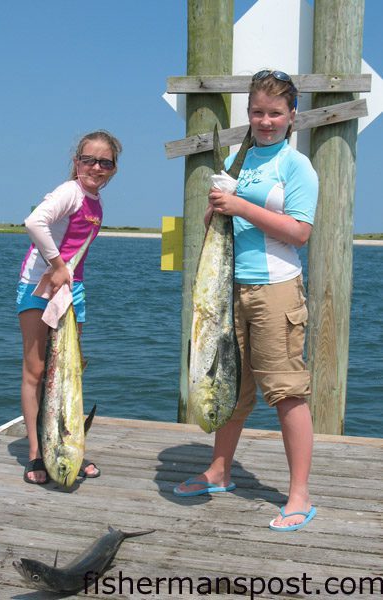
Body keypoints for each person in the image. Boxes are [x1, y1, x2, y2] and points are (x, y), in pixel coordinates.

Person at [174, 70, 319, 532]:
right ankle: (219, 471)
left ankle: (299, 495)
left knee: (286, 391)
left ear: (291, 115)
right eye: (258, 112)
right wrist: (217, 205)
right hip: (226, 288)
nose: (265, 120)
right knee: (229, 387)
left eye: (275, 113)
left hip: (276, 290)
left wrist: (242, 207)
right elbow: (215, 221)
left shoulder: (296, 167)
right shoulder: (242, 159)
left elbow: (300, 232)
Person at [16, 130, 122, 484]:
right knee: (36, 370)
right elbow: (34, 222)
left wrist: (68, 276)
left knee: (68, 374)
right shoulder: (69, 192)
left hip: (72, 291)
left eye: (104, 162)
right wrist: (57, 264)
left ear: (113, 169)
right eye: (88, 159)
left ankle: (67, 442)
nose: (95, 167)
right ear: (76, 162)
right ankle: (36, 452)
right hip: (39, 285)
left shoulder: (96, 202)